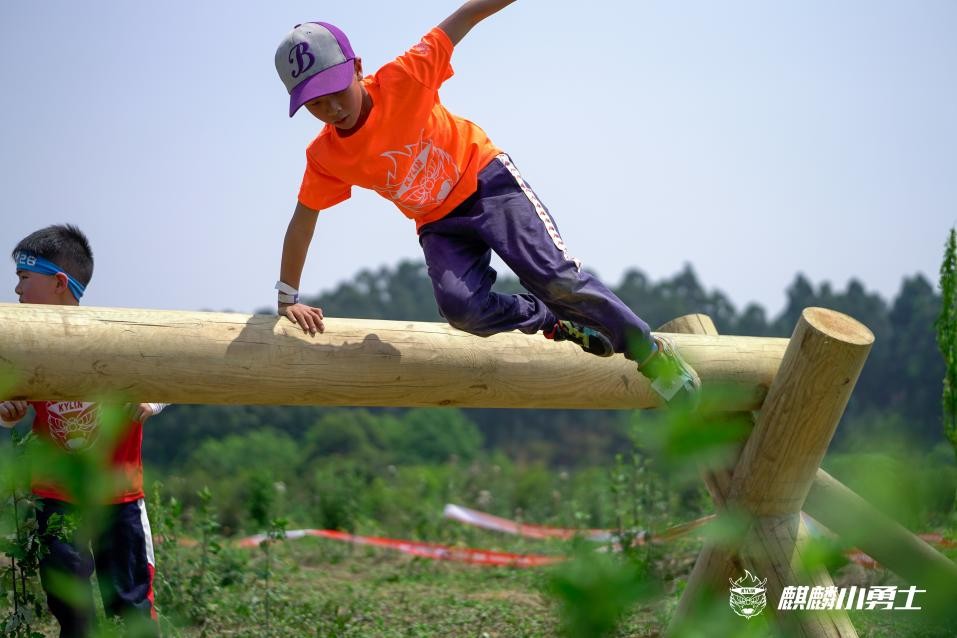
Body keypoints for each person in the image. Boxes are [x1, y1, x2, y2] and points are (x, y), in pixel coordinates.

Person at [272, 0, 700, 405]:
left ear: (358, 68)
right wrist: (287, 298)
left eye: (335, 91)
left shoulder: (406, 76)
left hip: (486, 182)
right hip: (439, 223)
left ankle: (649, 352)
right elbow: (303, 219)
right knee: (462, 309)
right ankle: (550, 320)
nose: (330, 108)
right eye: (314, 103)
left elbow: (467, 16)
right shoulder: (325, 156)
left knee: (556, 279)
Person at [0, 224, 163, 637]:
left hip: (118, 495)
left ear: (58, 283)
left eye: (23, 279)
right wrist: (8, 411)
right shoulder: (24, 343)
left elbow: (172, 370)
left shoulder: (114, 335)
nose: (16, 291)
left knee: (130, 606)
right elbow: (9, 404)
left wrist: (153, 400)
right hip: (57, 496)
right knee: (71, 608)